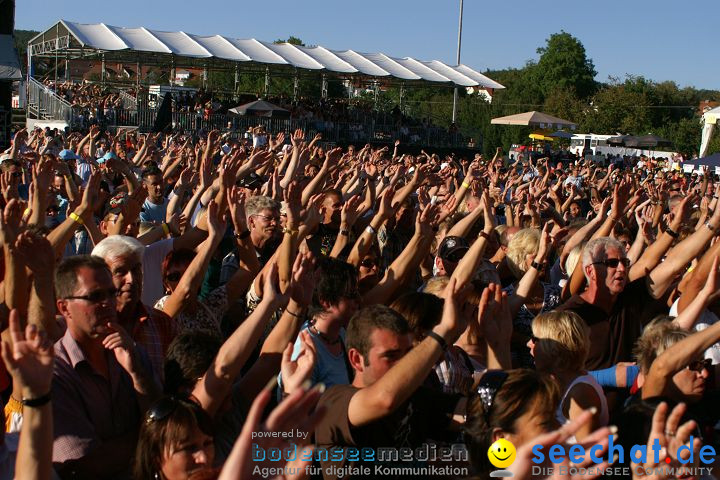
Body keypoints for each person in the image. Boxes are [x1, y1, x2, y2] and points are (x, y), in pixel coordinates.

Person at [52, 255, 158, 479]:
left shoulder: (130, 350)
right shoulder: (54, 373)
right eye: (95, 296)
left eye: (111, 293)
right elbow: (88, 465)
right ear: (64, 308)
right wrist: (150, 434)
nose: (108, 303)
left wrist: (137, 374)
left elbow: (166, 423)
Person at [528, 310, 609, 441]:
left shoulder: (580, 393)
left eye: (535, 340)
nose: (529, 344)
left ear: (554, 349)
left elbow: (589, 454)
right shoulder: (557, 382)